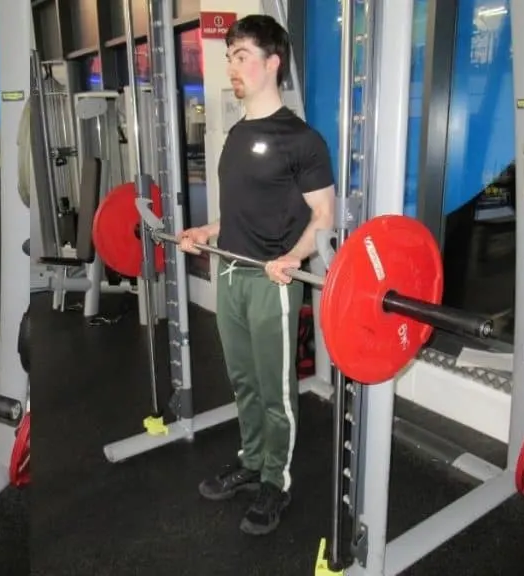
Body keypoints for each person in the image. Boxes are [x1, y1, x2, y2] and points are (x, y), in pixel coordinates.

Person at [177, 15, 335, 536]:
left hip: (274, 281)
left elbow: (323, 218)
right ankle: (250, 460)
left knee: (276, 390)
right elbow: (244, 213)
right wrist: (207, 230)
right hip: (231, 273)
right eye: (229, 57)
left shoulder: (303, 140)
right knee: (243, 382)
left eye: (241, 56)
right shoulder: (238, 133)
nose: (231, 68)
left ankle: (275, 481)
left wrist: (293, 256)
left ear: (273, 63)